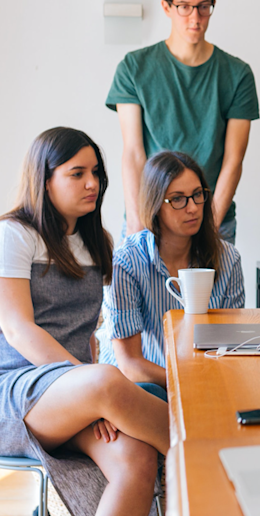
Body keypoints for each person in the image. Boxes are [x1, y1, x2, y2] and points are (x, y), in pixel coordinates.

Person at [0, 128, 168, 516]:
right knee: (108, 381)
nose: (93, 183)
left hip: (71, 392)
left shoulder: (94, 241)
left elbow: (86, 334)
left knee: (136, 458)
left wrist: (90, 391)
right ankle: (207, 454)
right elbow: (18, 330)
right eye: (77, 173)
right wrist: (90, 386)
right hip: (7, 395)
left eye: (97, 173)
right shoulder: (11, 234)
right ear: (44, 180)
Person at [106, 0, 260, 244]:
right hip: (151, 217)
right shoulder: (133, 68)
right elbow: (133, 153)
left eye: (203, 6)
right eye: (184, 7)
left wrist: (209, 227)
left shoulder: (237, 74)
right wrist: (138, 224)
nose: (195, 18)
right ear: (166, 7)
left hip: (212, 217)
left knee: (214, 291)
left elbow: (233, 160)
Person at [99, 151, 245, 391]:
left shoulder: (228, 258)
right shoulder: (126, 262)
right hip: (138, 386)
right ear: (155, 204)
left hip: (202, 380)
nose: (193, 208)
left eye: (198, 195)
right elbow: (130, 364)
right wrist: (188, 383)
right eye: (178, 199)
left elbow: (229, 346)